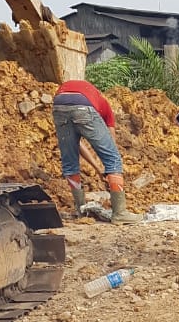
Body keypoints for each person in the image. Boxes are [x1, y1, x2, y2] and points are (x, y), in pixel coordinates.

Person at [51, 79, 138, 223]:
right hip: (82, 105)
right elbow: (111, 146)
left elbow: (77, 144)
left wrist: (97, 167)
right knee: (113, 158)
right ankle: (120, 213)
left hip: (59, 104)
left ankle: (81, 211)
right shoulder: (106, 109)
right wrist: (108, 168)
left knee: (70, 162)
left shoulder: (91, 96)